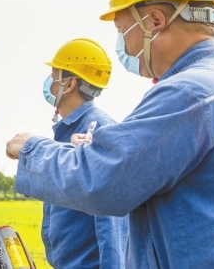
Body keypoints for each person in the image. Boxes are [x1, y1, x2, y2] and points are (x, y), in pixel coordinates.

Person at [6, 0, 214, 268]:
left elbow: (102, 182)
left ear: (155, 20)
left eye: (121, 30)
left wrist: (31, 148)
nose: (123, 47)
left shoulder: (187, 93)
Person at [40, 38, 127, 268]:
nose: (50, 81)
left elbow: (111, 222)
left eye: (54, 74)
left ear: (69, 84)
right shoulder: (69, 132)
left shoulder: (98, 130)